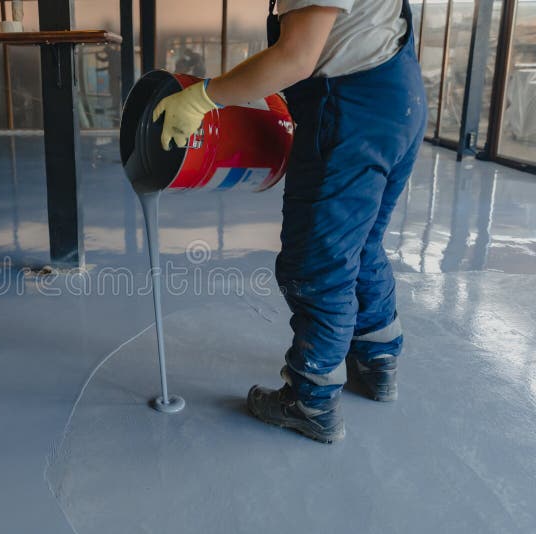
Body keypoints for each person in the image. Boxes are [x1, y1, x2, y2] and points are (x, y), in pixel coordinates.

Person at [153, 0, 426, 443]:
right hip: (399, 99)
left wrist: (203, 97)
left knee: (319, 264)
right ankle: (378, 363)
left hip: (350, 114)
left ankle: (311, 402)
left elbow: (296, 56)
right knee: (362, 245)